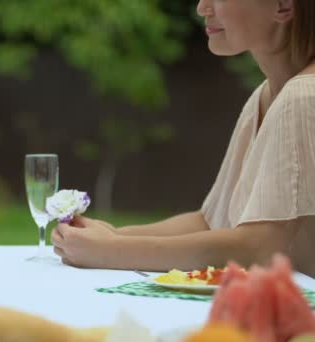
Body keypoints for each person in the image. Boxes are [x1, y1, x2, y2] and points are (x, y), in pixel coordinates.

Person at [52, 0, 315, 277]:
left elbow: (257, 248)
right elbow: (209, 222)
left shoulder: (303, 96)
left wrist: (110, 250)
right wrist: (111, 235)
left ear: (283, 6)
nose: (202, 8)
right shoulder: (268, 94)